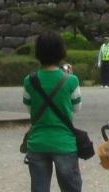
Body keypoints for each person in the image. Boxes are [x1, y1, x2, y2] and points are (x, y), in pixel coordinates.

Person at [23, 31, 84, 192]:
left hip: (37, 141)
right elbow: (76, 108)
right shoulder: (71, 80)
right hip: (64, 142)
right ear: (61, 52)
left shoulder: (30, 80)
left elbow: (29, 109)